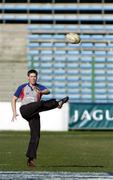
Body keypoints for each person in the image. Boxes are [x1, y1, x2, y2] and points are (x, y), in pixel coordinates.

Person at [11, 69, 69, 167]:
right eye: (31, 76)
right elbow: (14, 99)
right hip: (25, 110)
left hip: (35, 112)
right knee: (40, 103)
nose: (33, 78)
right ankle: (57, 104)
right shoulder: (22, 87)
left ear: (36, 77)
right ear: (28, 77)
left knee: (36, 135)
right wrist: (14, 112)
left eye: (35, 76)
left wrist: (41, 91)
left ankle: (30, 159)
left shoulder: (39, 87)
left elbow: (48, 91)